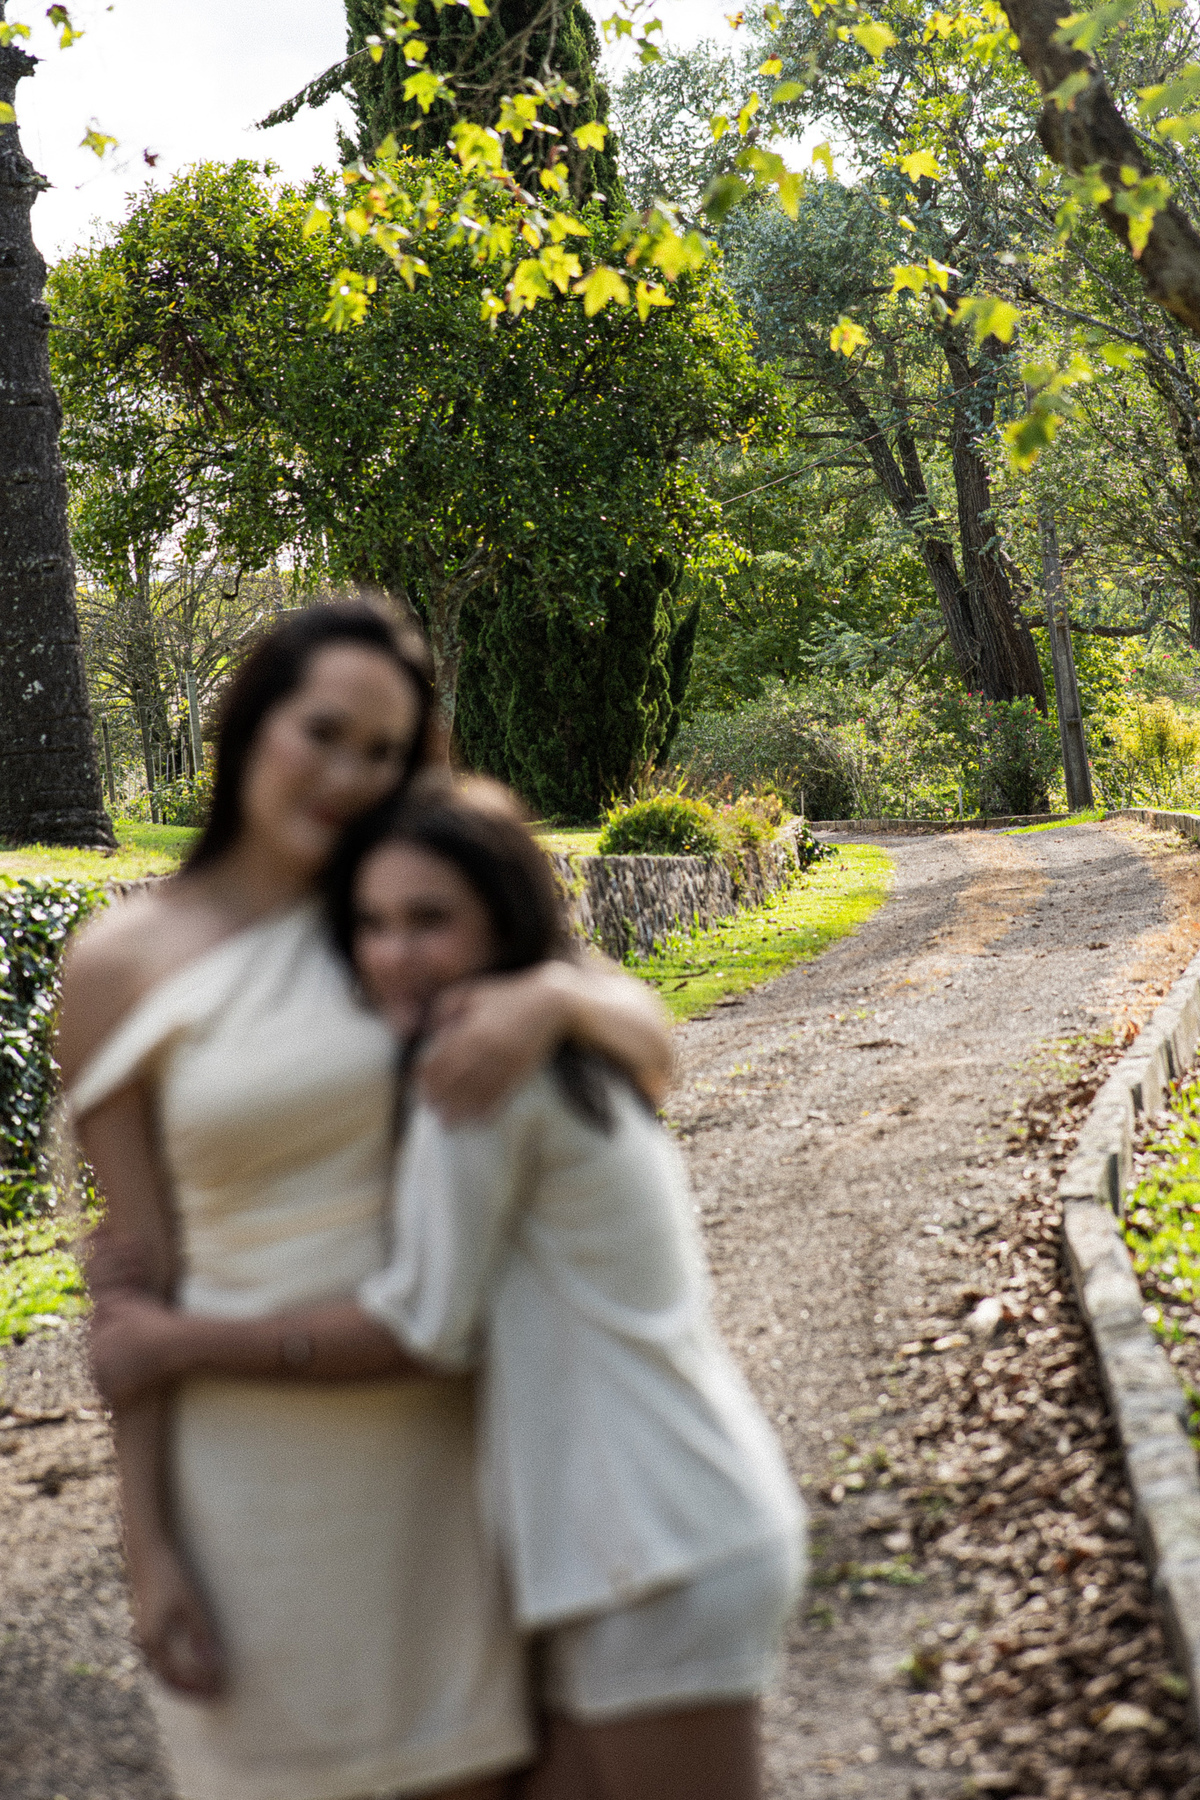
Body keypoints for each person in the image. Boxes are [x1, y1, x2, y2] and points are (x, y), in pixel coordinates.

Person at [58, 602, 673, 1800]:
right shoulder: (120, 962)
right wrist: (150, 1549)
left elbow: (647, 1044)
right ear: (253, 724)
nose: (348, 775)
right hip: (253, 1482)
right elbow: (137, 1285)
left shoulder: (405, 909)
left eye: (383, 752)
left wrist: (552, 999)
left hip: (466, 1458)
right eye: (323, 732)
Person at [89, 773, 804, 1800]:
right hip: (641, 1536)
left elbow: (423, 1327)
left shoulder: (480, 1075)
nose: (395, 954)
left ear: (500, 918)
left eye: (430, 921)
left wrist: (174, 1343)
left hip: (650, 1542)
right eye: (373, 925)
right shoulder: (549, 1037)